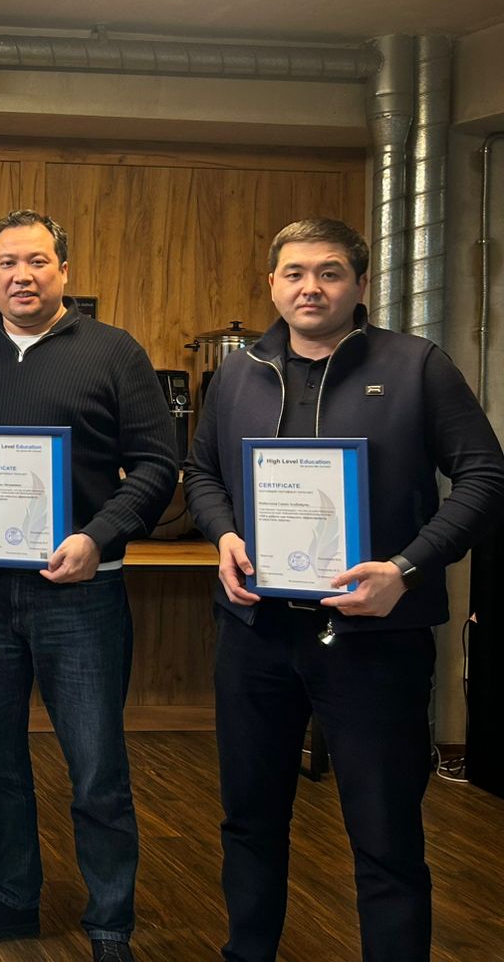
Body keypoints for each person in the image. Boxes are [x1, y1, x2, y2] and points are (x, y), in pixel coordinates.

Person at [182, 218, 504, 962]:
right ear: (272, 283)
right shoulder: (237, 373)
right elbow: (201, 473)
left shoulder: (417, 366)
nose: (311, 288)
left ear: (360, 284)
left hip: (374, 639)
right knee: (249, 821)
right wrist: (223, 533)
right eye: (295, 273)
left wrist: (407, 569)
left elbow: (485, 477)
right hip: (255, 634)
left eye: (329, 273)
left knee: (386, 836)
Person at [0, 209, 178, 962]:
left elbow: (158, 464)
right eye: (7, 262)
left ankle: (110, 924)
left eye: (37, 261)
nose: (22, 276)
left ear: (64, 270)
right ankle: (12, 897)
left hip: (82, 594)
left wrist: (100, 536)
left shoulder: (113, 352)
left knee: (96, 767)